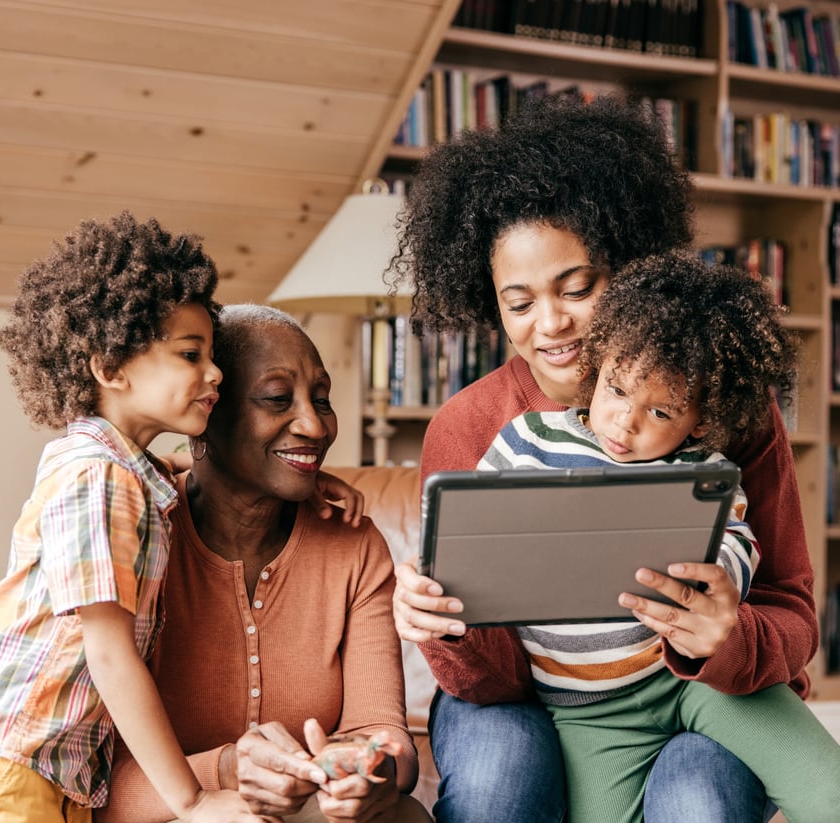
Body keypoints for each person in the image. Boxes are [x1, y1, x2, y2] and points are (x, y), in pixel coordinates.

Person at [389, 93, 818, 823]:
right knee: (498, 780)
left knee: (700, 798)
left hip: (700, 689)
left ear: (627, 268)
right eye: (517, 302)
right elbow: (489, 683)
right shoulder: (471, 427)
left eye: (578, 287)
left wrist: (731, 634)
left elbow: (792, 607)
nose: (550, 325)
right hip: (523, 698)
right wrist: (445, 620)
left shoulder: (723, 404)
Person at [478, 250, 840, 823]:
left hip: (703, 686)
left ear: (699, 419)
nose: (626, 421)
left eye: (661, 411)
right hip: (588, 711)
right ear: (597, 367)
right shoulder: (527, 442)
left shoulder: (705, 471)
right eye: (618, 391)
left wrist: (718, 582)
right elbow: (473, 530)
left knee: (829, 792)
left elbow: (737, 541)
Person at [0, 212, 262, 822]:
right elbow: (108, 652)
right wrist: (193, 799)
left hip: (48, 768)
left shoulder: (112, 466)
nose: (216, 373)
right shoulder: (99, 478)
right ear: (109, 367)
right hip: (14, 768)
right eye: (190, 353)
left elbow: (174, 472)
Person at [98, 304, 432, 823]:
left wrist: (368, 771)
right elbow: (91, 790)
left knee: (403, 816)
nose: (315, 425)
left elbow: (386, 734)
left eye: (322, 400)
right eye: (278, 399)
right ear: (208, 408)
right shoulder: (134, 528)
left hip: (309, 812)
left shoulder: (353, 543)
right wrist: (226, 770)